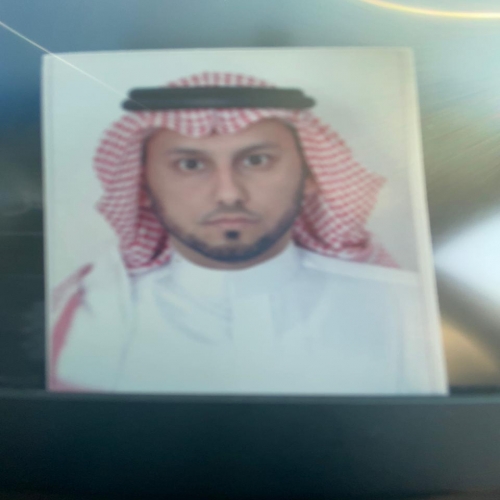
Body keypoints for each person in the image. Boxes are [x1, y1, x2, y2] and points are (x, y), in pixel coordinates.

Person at [49, 72, 448, 395]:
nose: (228, 194)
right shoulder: (81, 320)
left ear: (311, 175)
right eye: (190, 165)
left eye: (257, 160)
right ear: (141, 186)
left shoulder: (411, 311)